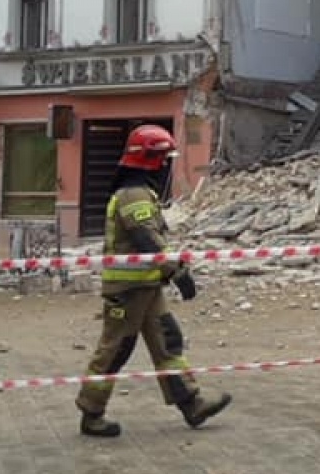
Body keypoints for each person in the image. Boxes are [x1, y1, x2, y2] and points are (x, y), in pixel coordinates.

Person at [75, 124, 231, 438]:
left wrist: (168, 272)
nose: (165, 166)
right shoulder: (133, 194)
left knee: (167, 341)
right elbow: (147, 238)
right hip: (128, 291)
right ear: (152, 160)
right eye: (163, 159)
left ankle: (192, 403)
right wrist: (176, 271)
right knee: (115, 349)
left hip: (147, 286)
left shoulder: (139, 191)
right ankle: (91, 413)